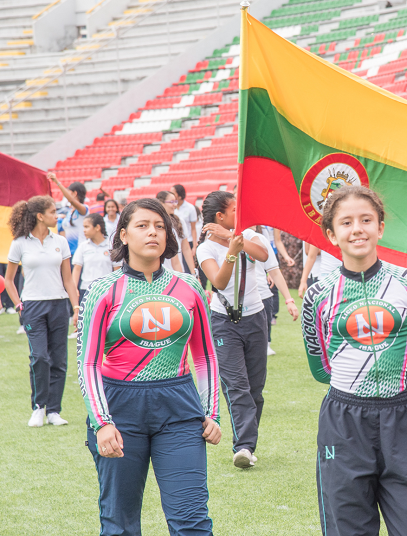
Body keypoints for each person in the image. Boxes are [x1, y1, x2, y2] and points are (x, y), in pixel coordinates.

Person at [302, 185, 407, 536]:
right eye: (346, 222)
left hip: (405, 420)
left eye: (366, 220)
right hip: (343, 423)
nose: (358, 229)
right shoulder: (317, 296)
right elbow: (321, 369)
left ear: (380, 227)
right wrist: (368, 372)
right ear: (331, 234)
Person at [77, 198, 221, 535]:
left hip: (180, 409)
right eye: (142, 226)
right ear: (124, 235)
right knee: (120, 522)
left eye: (159, 226)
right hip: (119, 409)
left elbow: (206, 356)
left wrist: (212, 412)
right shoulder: (102, 290)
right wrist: (102, 423)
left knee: (192, 520)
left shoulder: (189, 286)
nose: (152, 232)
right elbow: (88, 363)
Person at [196, 191, 271, 469]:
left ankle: (248, 444)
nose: (241, 215)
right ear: (221, 216)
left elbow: (262, 254)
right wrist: (231, 250)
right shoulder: (205, 249)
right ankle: (243, 446)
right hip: (224, 323)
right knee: (237, 387)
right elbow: (219, 281)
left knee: (256, 388)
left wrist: (234, 239)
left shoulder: (246, 235)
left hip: (256, 318)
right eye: (235, 210)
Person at [5, 195, 80, 427]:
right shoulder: (19, 243)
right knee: (39, 357)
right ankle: (38, 407)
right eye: (52, 212)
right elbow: (9, 280)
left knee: (58, 359)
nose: (56, 215)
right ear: (40, 216)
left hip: (59, 305)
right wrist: (18, 304)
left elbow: (68, 280)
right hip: (33, 307)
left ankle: (53, 411)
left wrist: (76, 308)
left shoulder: (61, 241)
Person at [250, 225, 299, 356]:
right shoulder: (228, 237)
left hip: (263, 286)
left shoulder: (262, 234)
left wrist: (289, 300)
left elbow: (277, 242)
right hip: (243, 298)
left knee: (271, 294)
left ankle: (267, 343)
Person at [70, 214, 119, 339]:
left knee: (108, 329)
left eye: (87, 227)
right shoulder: (83, 247)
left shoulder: (111, 245)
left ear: (97, 227)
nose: (84, 230)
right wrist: (73, 288)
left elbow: (117, 270)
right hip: (87, 291)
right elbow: (76, 269)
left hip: (108, 292)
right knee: (88, 329)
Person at [50, 174, 89, 256]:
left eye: (69, 193)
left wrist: (57, 182)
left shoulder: (84, 209)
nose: (66, 196)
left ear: (75, 193)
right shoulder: (69, 212)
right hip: (68, 252)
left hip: (79, 252)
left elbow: (72, 201)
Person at [156, 191, 193, 273]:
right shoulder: (156, 224)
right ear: (161, 203)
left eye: (175, 201)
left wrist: (193, 273)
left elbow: (186, 249)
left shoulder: (179, 221)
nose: (175, 205)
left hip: (178, 271)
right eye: (171, 202)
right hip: (161, 273)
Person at [170, 184, 198, 264]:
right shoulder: (170, 207)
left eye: (173, 193)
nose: (171, 195)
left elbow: (193, 228)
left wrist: (194, 246)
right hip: (175, 242)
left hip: (188, 241)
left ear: (179, 195)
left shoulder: (190, 208)